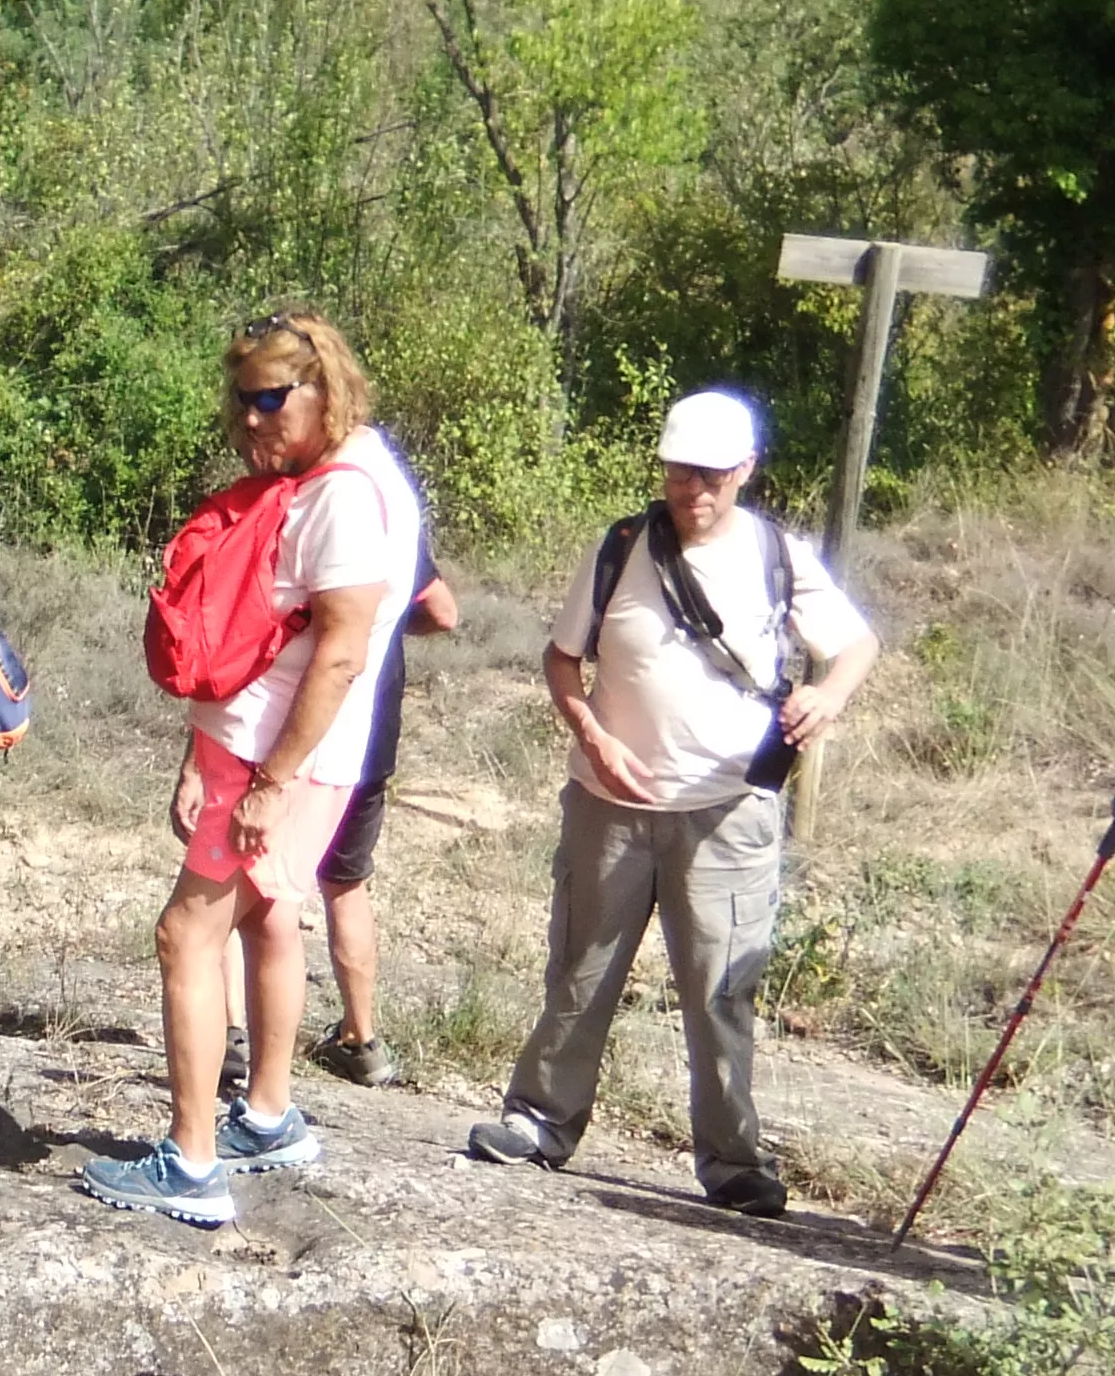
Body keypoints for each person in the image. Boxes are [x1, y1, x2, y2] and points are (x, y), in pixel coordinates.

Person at [464, 387, 878, 1217]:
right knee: (582, 971)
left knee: (721, 988)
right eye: (681, 472)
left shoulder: (779, 555)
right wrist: (592, 735)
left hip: (727, 810)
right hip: (608, 805)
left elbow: (857, 643)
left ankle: (732, 1163)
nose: (694, 491)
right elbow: (560, 659)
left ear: (746, 471)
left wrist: (829, 697)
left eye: (713, 476)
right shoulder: (620, 546)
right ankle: (540, 1120)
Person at [81, 312, 422, 1226]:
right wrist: (206, 751)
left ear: (325, 390)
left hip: (286, 760)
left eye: (272, 399)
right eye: (241, 402)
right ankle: (267, 1119)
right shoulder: (337, 471)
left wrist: (271, 783)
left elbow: (342, 654)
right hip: (259, 751)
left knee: (185, 936)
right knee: (270, 914)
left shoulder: (346, 494)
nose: (251, 420)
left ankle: (190, 1166)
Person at [313, 541, 462, 1089]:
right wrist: (387, 627)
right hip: (372, 736)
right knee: (345, 882)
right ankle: (361, 1037)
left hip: (299, 729)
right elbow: (443, 611)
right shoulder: (394, 520)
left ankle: (235, 1036)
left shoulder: (306, 503)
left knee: (254, 881)